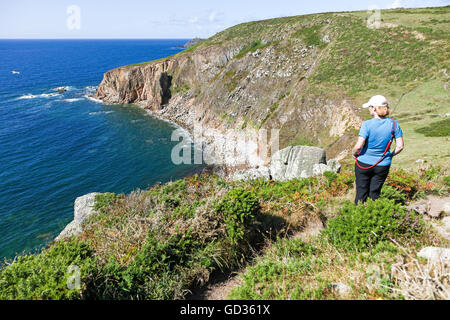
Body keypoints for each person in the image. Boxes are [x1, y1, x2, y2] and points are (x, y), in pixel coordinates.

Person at [352, 95, 404, 205]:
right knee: (374, 193)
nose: (369, 109)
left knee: (361, 193)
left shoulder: (367, 124)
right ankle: (374, 214)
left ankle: (359, 216)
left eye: (370, 107)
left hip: (364, 163)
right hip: (383, 164)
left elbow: (359, 146)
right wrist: (390, 155)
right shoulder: (394, 124)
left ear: (374, 108)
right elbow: (400, 146)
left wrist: (354, 154)